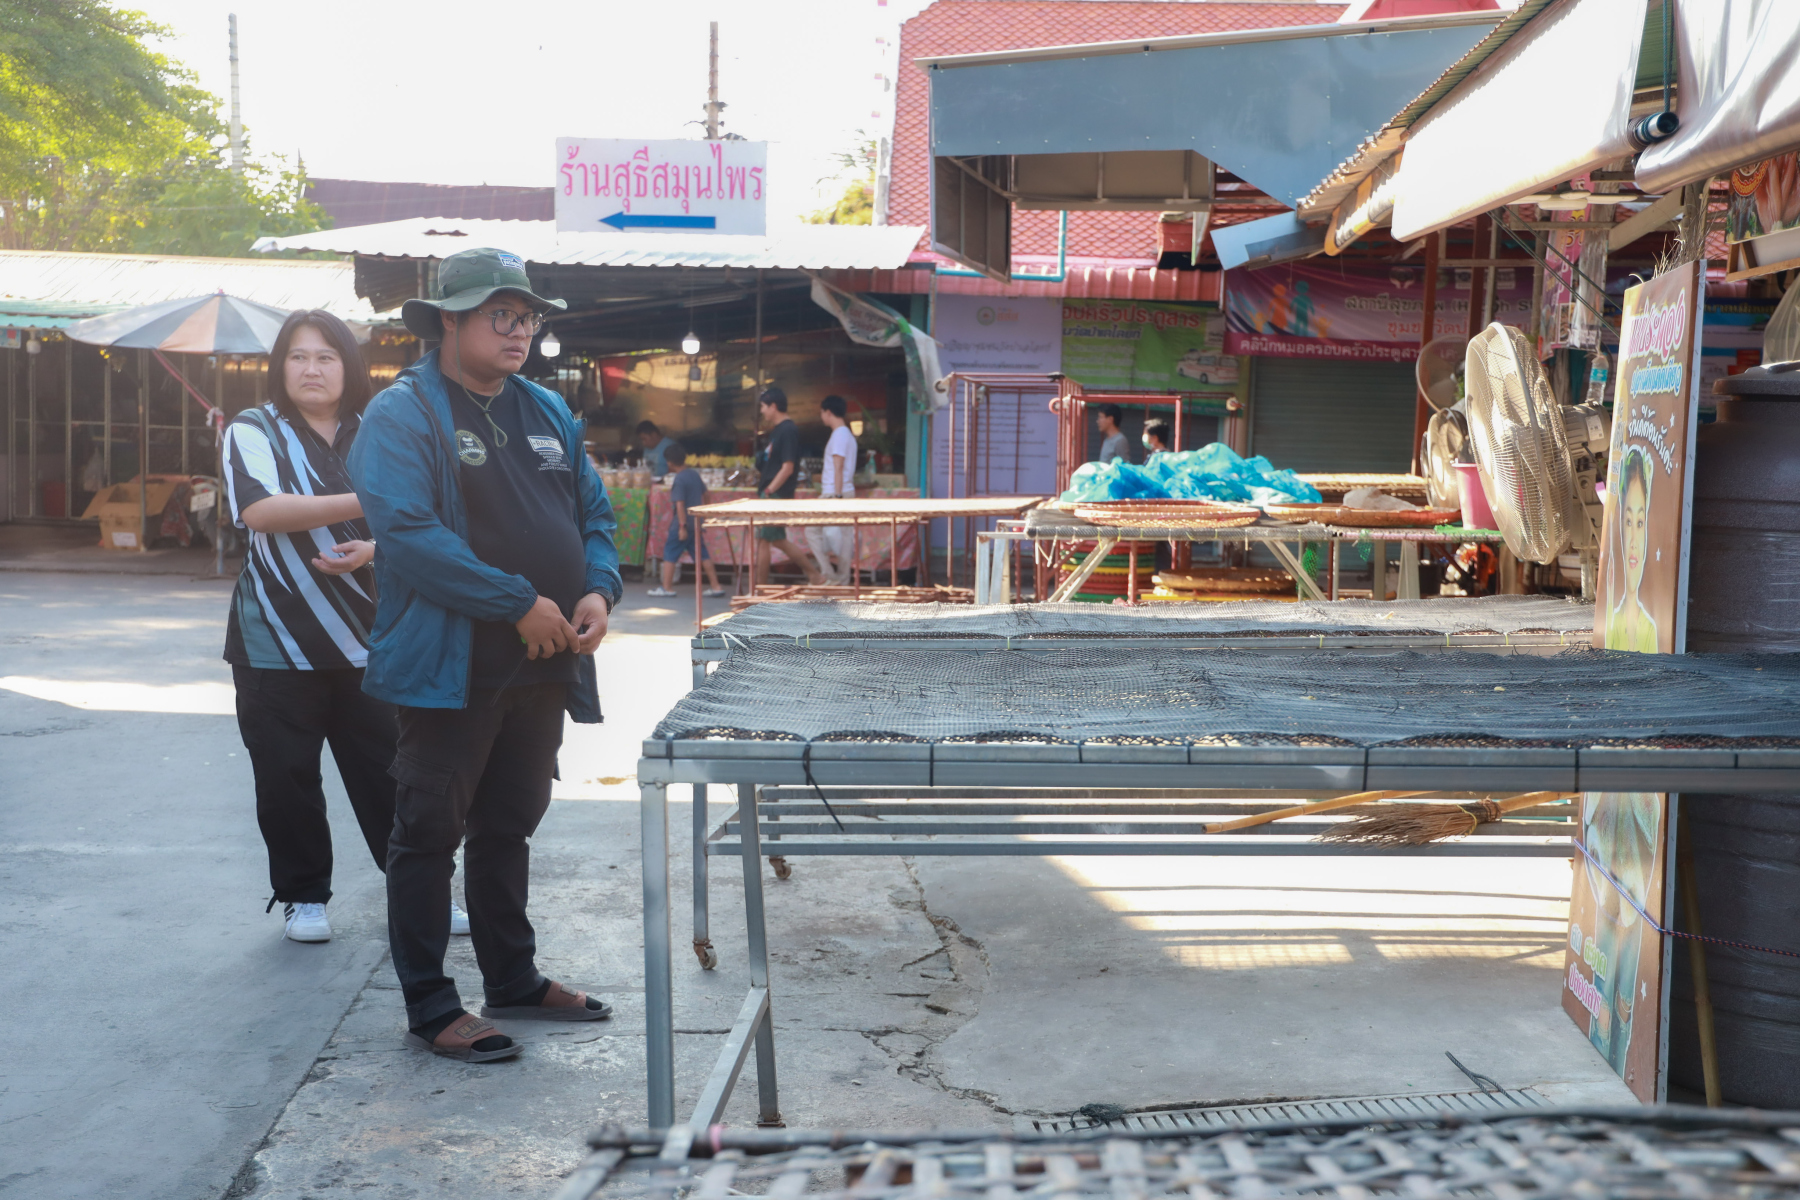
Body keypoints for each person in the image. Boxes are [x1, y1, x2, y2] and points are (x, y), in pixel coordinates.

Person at [349, 246, 623, 1064]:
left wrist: (598, 588)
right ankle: (432, 1004)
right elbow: (408, 536)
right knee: (428, 832)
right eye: (499, 315)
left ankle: (513, 979)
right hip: (451, 666)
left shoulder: (547, 409)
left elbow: (594, 515)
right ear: (449, 321)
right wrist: (517, 603)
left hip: (544, 661)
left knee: (510, 824)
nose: (518, 331)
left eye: (526, 316)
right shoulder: (403, 415)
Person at [224, 309, 432, 945]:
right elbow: (262, 510)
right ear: (279, 366)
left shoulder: (381, 428)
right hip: (274, 639)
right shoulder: (253, 428)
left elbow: (427, 511)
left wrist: (375, 547)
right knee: (285, 778)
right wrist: (372, 503)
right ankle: (303, 896)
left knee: (393, 773)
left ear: (349, 366)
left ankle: (418, 891)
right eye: (297, 356)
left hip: (371, 638)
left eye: (325, 356)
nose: (310, 369)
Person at [753, 386, 822, 586]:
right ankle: (814, 575)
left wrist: (770, 490)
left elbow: (788, 467)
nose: (762, 411)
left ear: (773, 406)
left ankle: (760, 589)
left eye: (763, 406)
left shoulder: (788, 430)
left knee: (764, 541)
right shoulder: (778, 430)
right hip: (773, 492)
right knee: (776, 540)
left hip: (775, 493)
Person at [648, 444, 725, 598]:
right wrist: (705, 514)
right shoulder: (694, 474)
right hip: (696, 522)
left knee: (670, 553)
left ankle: (666, 587)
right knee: (702, 554)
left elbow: (680, 504)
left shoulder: (679, 479)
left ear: (669, 463)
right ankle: (716, 586)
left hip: (682, 523)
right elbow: (707, 494)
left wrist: (682, 526)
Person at [804, 395, 858, 586]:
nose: (821, 416)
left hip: (833, 493)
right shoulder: (846, 434)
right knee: (845, 537)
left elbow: (838, 466)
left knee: (812, 530)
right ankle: (841, 578)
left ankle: (830, 574)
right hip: (843, 491)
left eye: (822, 412)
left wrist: (837, 495)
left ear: (828, 412)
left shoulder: (839, 435)